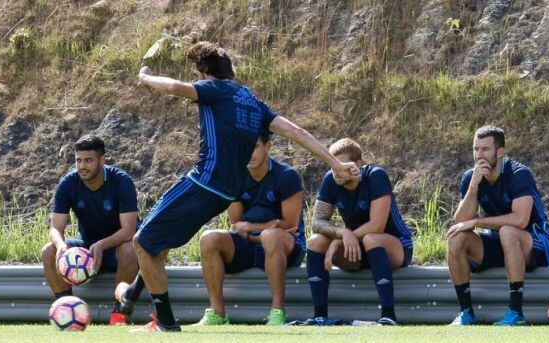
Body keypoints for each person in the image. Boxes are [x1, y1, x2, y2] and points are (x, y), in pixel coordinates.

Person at [114, 41, 360, 332]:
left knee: (143, 241)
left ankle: (165, 323)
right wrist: (333, 162)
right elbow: (296, 132)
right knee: (158, 237)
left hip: (203, 182)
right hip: (227, 194)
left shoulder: (214, 89)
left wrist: (145, 77)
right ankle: (132, 292)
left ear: (205, 72)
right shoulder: (253, 102)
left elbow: (173, 88)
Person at [446, 125, 549, 326]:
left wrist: (477, 222)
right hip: (501, 240)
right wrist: (473, 186)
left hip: (537, 242)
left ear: (500, 152)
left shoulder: (519, 173)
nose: (478, 155)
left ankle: (516, 313)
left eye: (485, 149)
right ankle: (466, 313)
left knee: (508, 231)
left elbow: (520, 220)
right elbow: (461, 220)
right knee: (457, 236)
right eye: (475, 149)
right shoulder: (471, 177)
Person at [197, 133, 306, 325]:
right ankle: (217, 314)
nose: (248, 152)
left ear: (268, 147)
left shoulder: (287, 176)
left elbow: (289, 225)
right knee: (209, 238)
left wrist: (254, 229)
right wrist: (259, 231)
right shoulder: (235, 177)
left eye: (254, 146)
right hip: (250, 244)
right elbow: (237, 224)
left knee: (272, 237)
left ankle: (277, 313)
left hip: (286, 247)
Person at [303, 138, 413, 326]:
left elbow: (376, 226)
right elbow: (317, 223)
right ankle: (320, 316)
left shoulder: (375, 176)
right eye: (333, 165)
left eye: (342, 165)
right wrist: (342, 233)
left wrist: (340, 239)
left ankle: (388, 316)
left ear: (358, 164)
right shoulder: (331, 178)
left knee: (371, 238)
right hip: (356, 250)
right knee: (316, 241)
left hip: (394, 246)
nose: (337, 170)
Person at [42, 134, 139, 326]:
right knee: (49, 250)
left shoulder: (121, 182)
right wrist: (61, 245)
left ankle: (119, 314)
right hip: (88, 247)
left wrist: (102, 245)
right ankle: (67, 308)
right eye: (78, 160)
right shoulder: (69, 183)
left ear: (102, 160)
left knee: (130, 248)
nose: (82, 166)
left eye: (88, 160)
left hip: (117, 247)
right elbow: (55, 227)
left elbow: (129, 231)